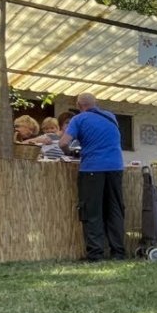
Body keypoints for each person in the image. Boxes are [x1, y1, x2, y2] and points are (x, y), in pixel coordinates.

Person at [59, 93, 126, 261]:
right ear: (95, 103)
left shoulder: (78, 119)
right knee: (115, 210)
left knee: (92, 211)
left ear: (78, 105)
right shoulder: (110, 116)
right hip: (116, 167)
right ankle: (118, 252)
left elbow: (63, 143)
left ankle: (95, 254)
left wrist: (72, 153)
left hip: (92, 169)